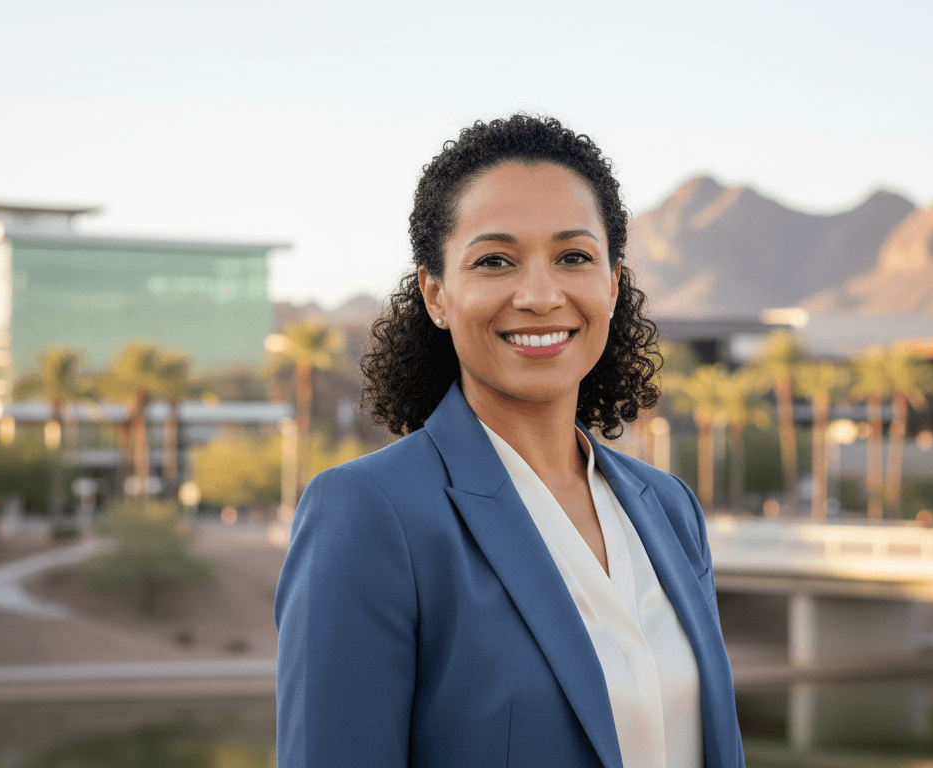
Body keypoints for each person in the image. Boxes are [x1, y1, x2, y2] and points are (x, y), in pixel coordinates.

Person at [275, 114, 745, 768]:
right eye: (495, 260)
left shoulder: (669, 508)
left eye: (573, 257)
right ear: (436, 294)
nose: (540, 294)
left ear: (612, 283)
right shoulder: (368, 514)